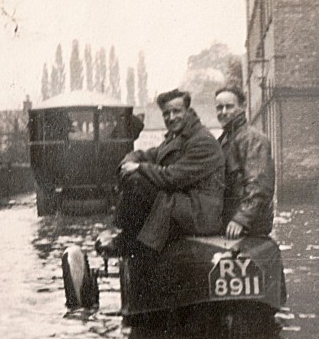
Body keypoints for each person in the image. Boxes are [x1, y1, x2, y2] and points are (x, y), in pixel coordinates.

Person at [99, 88, 224, 256]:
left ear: (188, 111)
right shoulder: (176, 137)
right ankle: (129, 238)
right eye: (166, 114)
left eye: (176, 111)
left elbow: (173, 177)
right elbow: (149, 154)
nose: (171, 118)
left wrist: (139, 167)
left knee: (138, 181)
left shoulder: (202, 140)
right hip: (185, 203)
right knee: (137, 179)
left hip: (200, 212)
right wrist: (129, 161)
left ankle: (127, 240)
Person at [214, 86, 275, 239]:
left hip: (248, 228)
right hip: (231, 225)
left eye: (229, 106)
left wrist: (241, 219)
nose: (223, 112)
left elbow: (259, 185)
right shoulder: (224, 140)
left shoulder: (252, 139)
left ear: (242, 107)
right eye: (219, 108)